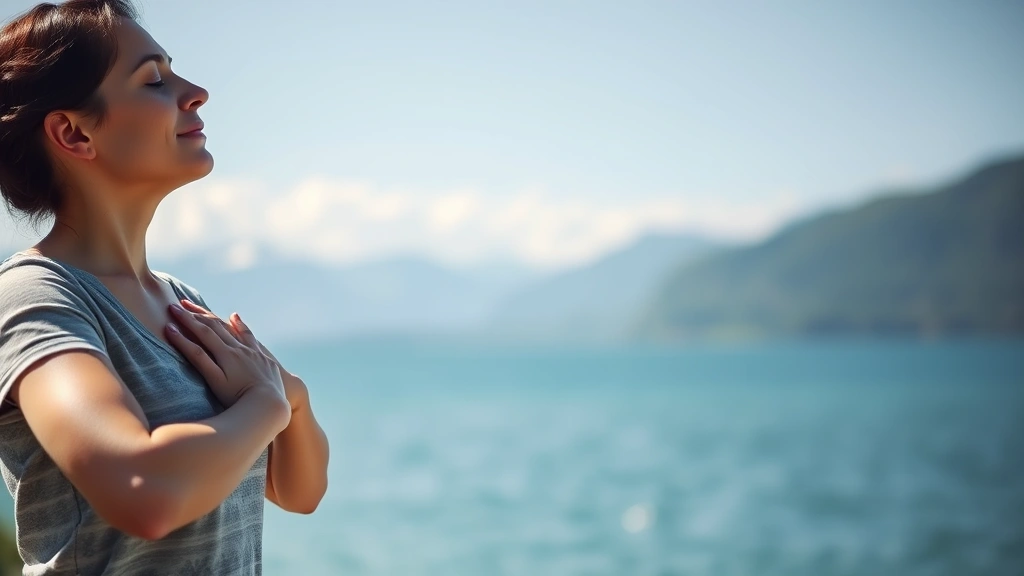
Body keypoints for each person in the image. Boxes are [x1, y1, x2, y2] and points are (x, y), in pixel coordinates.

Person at [0, 1, 330, 573]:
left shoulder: (182, 302)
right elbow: (143, 492)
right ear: (74, 133)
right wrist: (265, 403)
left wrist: (290, 396)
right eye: (154, 80)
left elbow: (299, 490)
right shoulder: (36, 298)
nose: (197, 92)